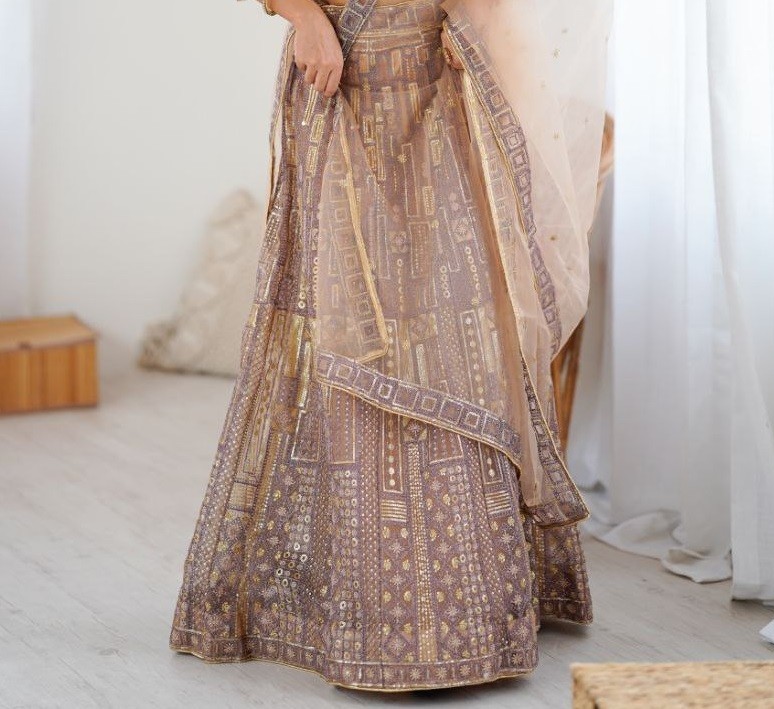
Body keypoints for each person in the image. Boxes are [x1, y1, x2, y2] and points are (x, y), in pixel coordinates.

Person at [169, 0, 611, 692]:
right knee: (350, 338)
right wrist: (306, 20)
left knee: (458, 346)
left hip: (440, 101)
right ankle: (368, 620)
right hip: (337, 94)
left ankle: (471, 611)